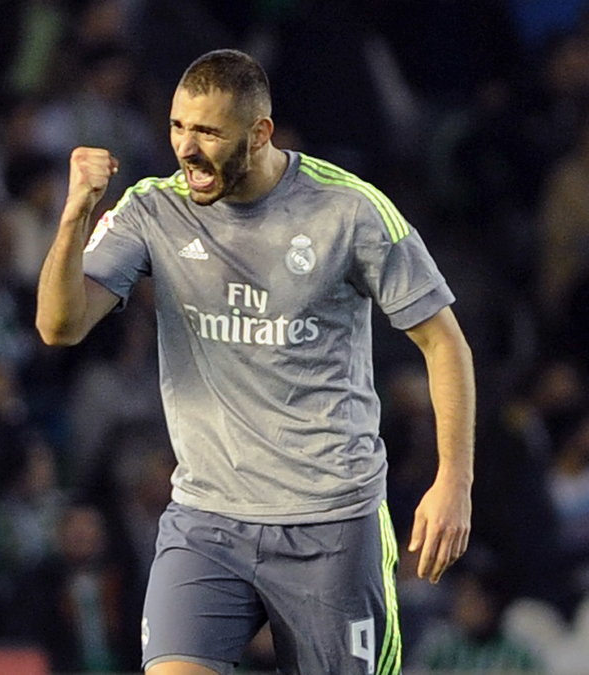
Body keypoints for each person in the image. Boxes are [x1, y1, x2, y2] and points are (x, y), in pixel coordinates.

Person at [35, 49, 474, 675]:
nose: (187, 148)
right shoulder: (153, 209)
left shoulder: (348, 210)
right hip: (207, 520)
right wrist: (76, 213)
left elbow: (444, 342)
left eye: (209, 132)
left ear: (259, 133)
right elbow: (60, 324)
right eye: (178, 127)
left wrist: (453, 481)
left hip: (332, 522)